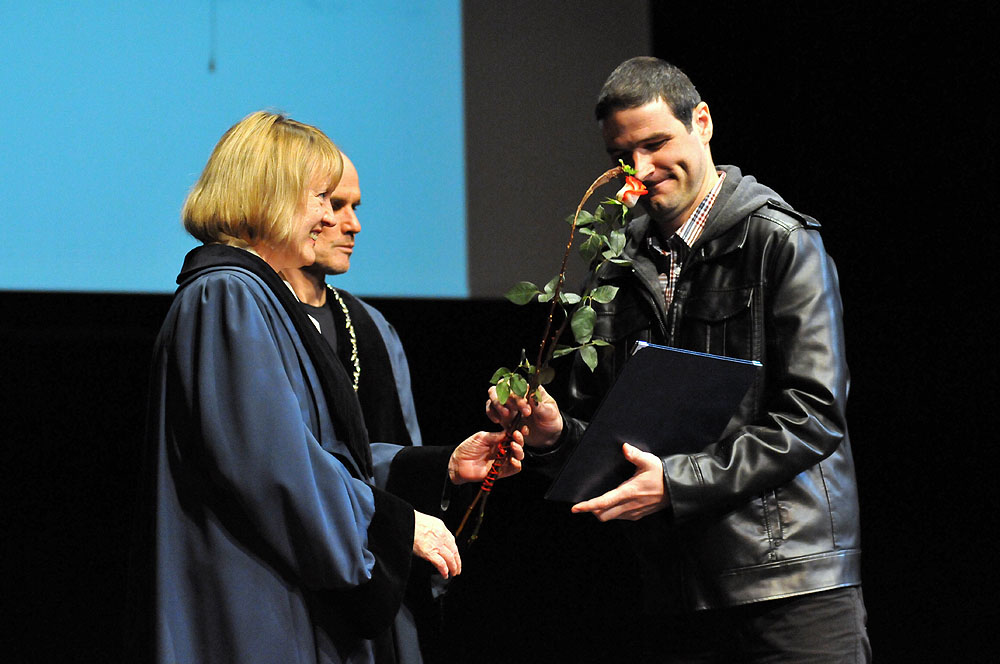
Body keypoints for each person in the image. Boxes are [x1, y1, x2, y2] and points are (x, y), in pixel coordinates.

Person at [488, 57, 870, 662]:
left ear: (703, 122)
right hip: (675, 590)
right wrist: (556, 437)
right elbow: (617, 434)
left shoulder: (779, 241)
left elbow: (815, 412)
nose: (640, 169)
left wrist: (676, 482)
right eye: (623, 155)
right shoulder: (614, 268)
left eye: (657, 143)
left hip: (789, 581)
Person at [130, 110, 523, 664]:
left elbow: (321, 454)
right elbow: (275, 468)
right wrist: (394, 522)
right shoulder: (227, 296)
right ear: (268, 195)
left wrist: (440, 467)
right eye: (321, 197)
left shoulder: (263, 302)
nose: (331, 218)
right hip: (255, 601)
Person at [282, 152, 441, 659]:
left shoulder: (371, 328)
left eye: (355, 206)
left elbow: (405, 443)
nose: (351, 224)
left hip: (378, 568)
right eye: (335, 204)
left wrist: (446, 467)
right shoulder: (260, 316)